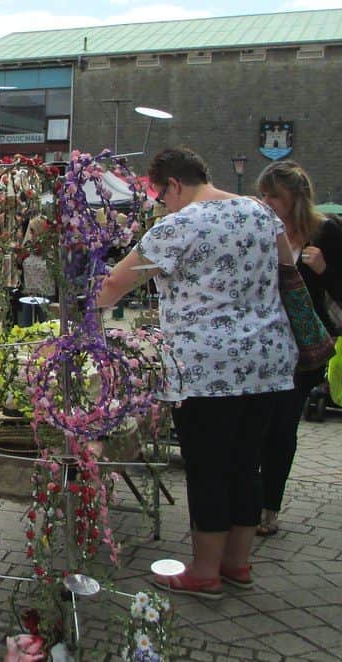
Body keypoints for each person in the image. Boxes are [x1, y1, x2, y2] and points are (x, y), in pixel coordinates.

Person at [98, 147, 297, 600]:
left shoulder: (179, 225)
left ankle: (205, 572)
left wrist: (88, 311)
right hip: (267, 361)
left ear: (173, 185)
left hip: (206, 367)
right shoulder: (261, 213)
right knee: (246, 464)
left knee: (208, 467)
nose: (163, 206)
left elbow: (115, 284)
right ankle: (237, 564)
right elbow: (288, 271)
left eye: (161, 196)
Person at [255, 160, 342, 535]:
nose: (266, 202)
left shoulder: (326, 232)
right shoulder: (262, 230)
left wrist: (324, 270)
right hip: (262, 344)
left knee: (282, 425)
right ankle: (249, 500)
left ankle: (268, 507)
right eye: (263, 194)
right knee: (257, 424)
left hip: (303, 349)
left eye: (274, 195)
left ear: (295, 197)